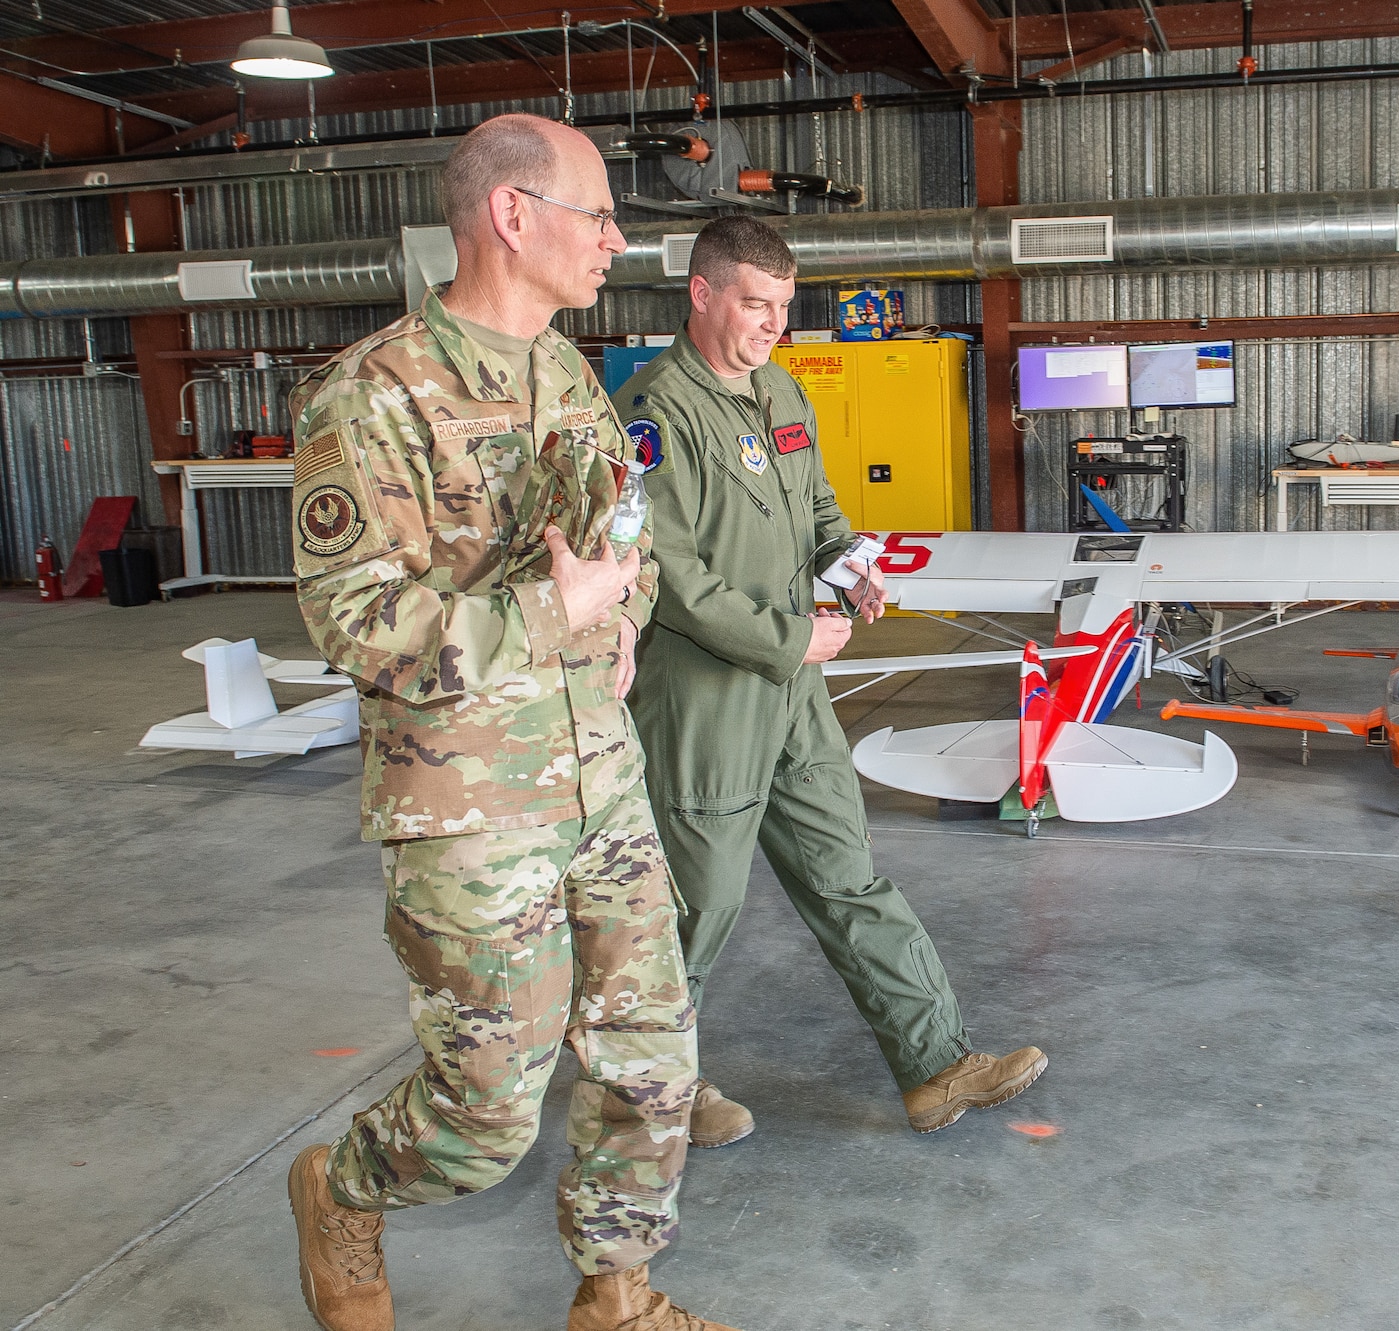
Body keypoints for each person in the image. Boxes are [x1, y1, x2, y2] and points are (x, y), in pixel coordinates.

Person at [286, 113, 735, 1331]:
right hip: (469, 806)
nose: (614, 238)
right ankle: (344, 1185)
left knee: (652, 1065)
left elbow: (618, 534)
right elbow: (352, 617)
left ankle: (617, 1295)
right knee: (485, 1114)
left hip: (601, 776)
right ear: (512, 215)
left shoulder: (567, 374)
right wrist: (552, 609)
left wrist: (625, 603)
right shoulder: (374, 393)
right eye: (597, 213)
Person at [611, 216, 1045, 1143]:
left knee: (848, 876)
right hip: (705, 696)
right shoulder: (655, 414)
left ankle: (936, 1064)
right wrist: (789, 635)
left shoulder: (778, 388)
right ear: (702, 294)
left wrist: (848, 561)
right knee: (697, 907)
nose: (772, 325)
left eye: (783, 307)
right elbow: (672, 575)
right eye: (754, 304)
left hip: (794, 690)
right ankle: (646, 1095)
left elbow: (813, 502)